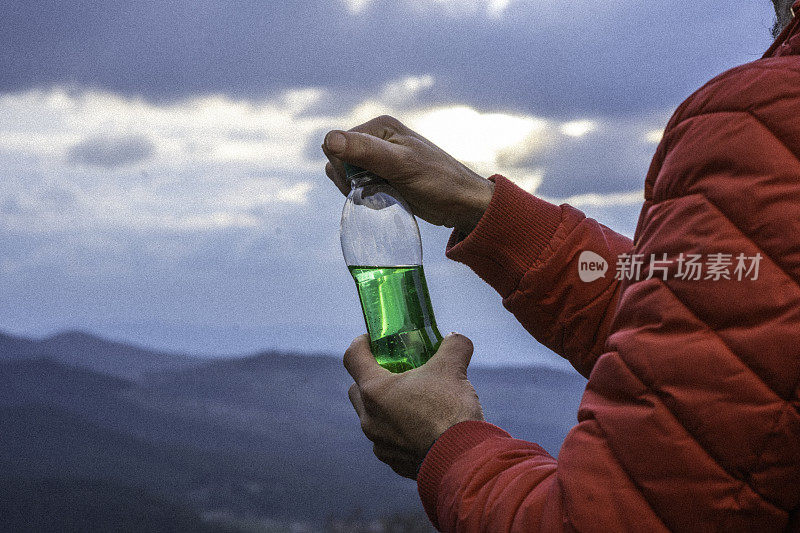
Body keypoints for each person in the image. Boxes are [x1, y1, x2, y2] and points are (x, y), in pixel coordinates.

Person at [321, 1, 800, 530]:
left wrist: (447, 443)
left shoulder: (767, 113)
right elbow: (730, 343)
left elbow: (609, 521)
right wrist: (488, 210)